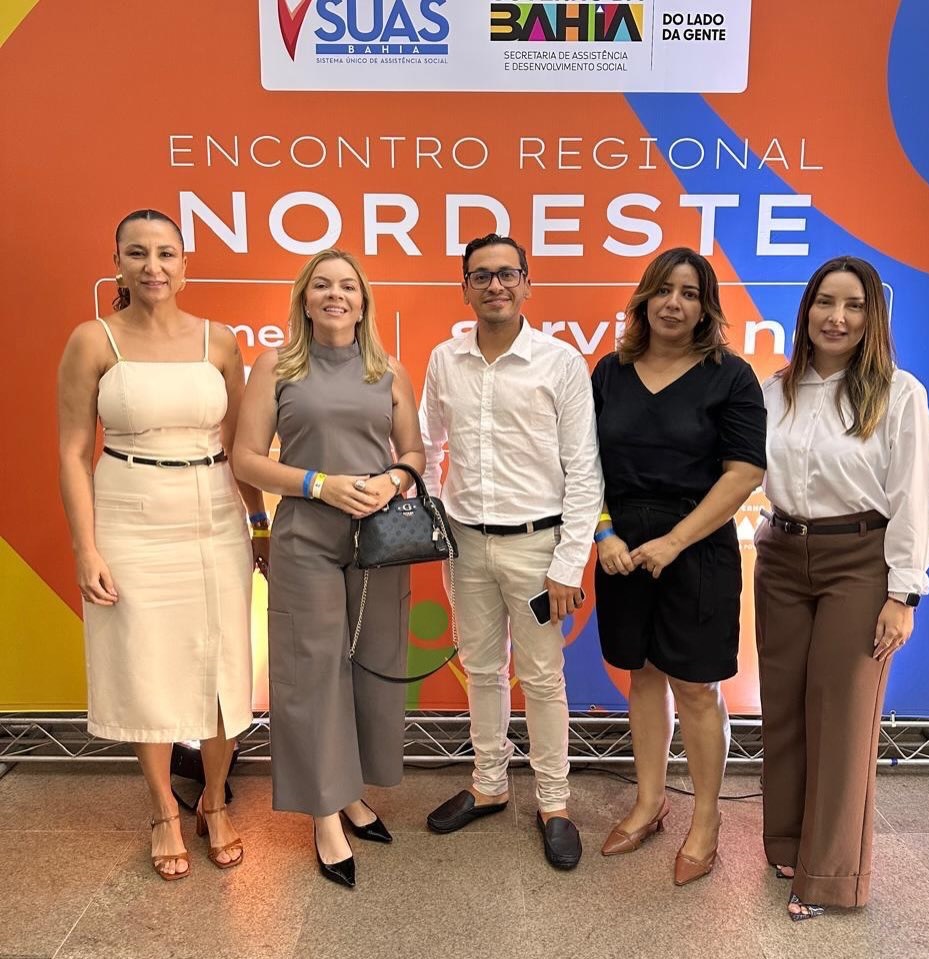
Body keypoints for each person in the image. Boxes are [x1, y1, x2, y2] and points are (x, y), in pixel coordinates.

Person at [57, 209, 266, 880]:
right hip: (129, 515)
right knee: (143, 664)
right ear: (117, 264)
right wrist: (86, 548)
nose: (153, 266)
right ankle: (163, 812)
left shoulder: (220, 341)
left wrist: (258, 523)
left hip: (214, 514)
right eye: (138, 253)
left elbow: (241, 446)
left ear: (185, 265)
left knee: (222, 666)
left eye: (166, 253)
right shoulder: (92, 340)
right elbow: (73, 451)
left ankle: (215, 800)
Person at [232, 249, 424, 889]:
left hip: (380, 538)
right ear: (305, 300)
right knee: (312, 673)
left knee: (371, 666)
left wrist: (394, 479)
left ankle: (352, 791)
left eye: (347, 286)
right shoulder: (276, 365)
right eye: (322, 285)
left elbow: (415, 451)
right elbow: (245, 459)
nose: (335, 295)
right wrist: (319, 483)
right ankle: (325, 815)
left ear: (363, 302)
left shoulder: (388, 370)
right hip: (305, 536)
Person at [755, 255, 929, 920]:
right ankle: (786, 843)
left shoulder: (898, 393)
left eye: (854, 305)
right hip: (780, 556)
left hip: (860, 562)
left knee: (843, 716)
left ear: (872, 317)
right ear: (805, 311)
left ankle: (829, 875)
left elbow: (912, 496)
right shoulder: (775, 390)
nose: (836, 317)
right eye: (825, 302)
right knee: (783, 706)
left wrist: (903, 593)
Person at [419, 233, 603, 870]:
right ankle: (490, 784)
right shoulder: (445, 359)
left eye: (506, 274)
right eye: (481, 275)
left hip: (537, 547)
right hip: (465, 546)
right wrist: (434, 518)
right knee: (482, 670)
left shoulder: (560, 362)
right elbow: (427, 447)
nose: (495, 285)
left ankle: (554, 802)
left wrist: (568, 563)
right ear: (464, 288)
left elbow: (584, 471)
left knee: (543, 677)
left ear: (527, 283)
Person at [592, 247, 765, 884]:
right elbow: (583, 464)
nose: (674, 303)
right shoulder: (610, 372)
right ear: (644, 299)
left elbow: (744, 472)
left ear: (706, 307)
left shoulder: (731, 376)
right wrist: (603, 531)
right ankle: (649, 803)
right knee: (642, 676)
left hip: (698, 548)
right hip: (622, 548)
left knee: (695, 686)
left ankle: (707, 820)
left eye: (690, 293)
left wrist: (674, 542)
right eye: (664, 290)